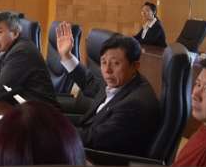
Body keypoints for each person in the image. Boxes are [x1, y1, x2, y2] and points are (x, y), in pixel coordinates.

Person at [56, 24, 160, 157]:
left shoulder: (135, 105)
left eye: (116, 63)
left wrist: (55, 131)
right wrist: (66, 56)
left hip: (97, 161)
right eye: (104, 62)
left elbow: (95, 140)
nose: (107, 70)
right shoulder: (125, 81)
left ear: (135, 66)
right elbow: (90, 84)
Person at [0, 11, 57, 105]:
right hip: (23, 107)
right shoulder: (7, 50)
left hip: (40, 110)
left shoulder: (21, 52)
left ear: (15, 33)